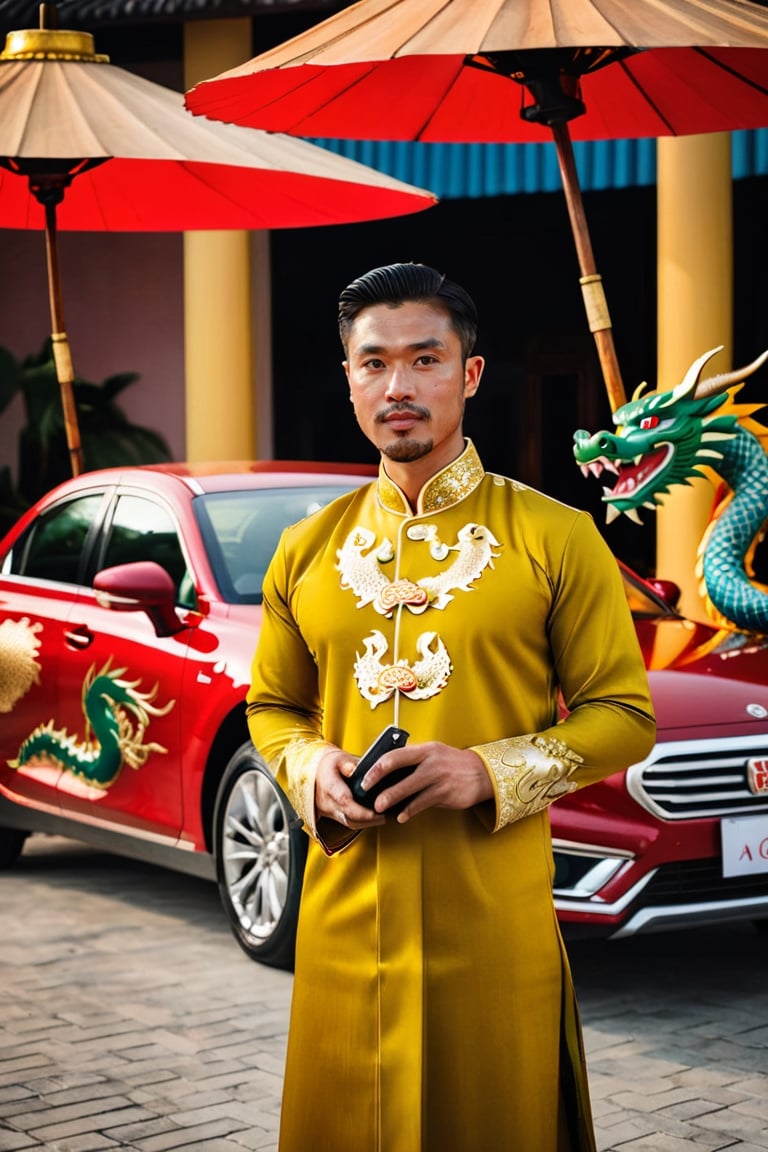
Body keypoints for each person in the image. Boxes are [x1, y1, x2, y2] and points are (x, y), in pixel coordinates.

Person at [246, 262, 656, 1152]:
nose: (399, 386)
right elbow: (272, 707)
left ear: (470, 375)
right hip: (341, 916)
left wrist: (486, 769)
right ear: (348, 378)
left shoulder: (555, 536)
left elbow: (624, 715)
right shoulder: (305, 550)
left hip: (493, 917)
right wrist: (314, 768)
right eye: (374, 363)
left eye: (425, 359)